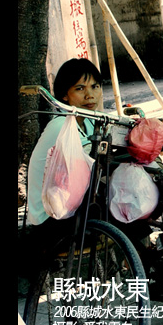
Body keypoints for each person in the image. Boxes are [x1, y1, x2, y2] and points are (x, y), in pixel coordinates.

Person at [26, 57, 104, 228]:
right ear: (64, 95)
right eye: (80, 88)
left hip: (70, 203)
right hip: (50, 214)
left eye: (95, 87)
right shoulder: (61, 125)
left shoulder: (89, 121)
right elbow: (91, 161)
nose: (90, 95)